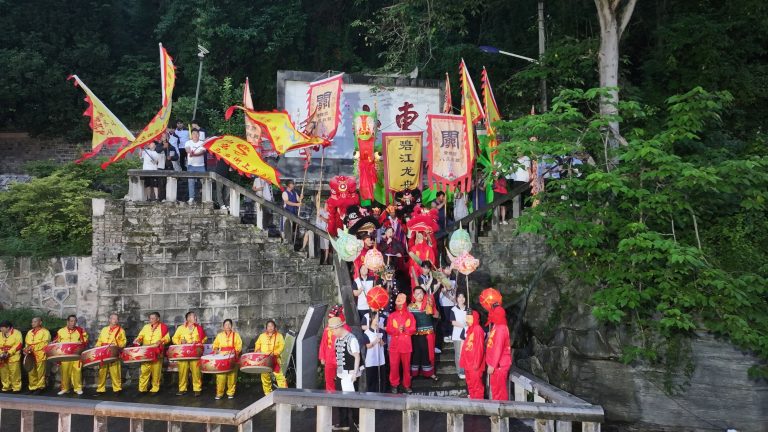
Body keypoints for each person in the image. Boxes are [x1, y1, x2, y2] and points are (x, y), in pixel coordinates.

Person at [331, 316, 360, 430]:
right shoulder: (337, 340)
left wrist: (355, 374)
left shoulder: (351, 339)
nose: (333, 333)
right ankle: (344, 423)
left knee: (353, 401)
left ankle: (358, 422)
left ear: (339, 328)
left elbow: (357, 356)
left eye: (333, 330)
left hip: (350, 375)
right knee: (340, 399)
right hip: (340, 374)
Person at [408, 286, 440, 380]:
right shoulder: (410, 307)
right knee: (415, 353)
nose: (419, 295)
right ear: (413, 295)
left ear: (424, 294)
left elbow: (436, 316)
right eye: (417, 293)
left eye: (421, 293)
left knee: (428, 354)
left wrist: (433, 305)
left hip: (427, 334)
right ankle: (413, 373)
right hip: (414, 334)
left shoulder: (428, 305)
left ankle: (429, 373)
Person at [133, 312, 170, 394]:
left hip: (157, 351)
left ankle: (155, 388)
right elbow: (141, 335)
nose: (151, 320)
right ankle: (142, 388)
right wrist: (138, 339)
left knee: (156, 372)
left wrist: (161, 341)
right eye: (150, 318)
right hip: (146, 352)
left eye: (153, 318)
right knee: (144, 371)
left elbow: (167, 338)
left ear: (158, 319)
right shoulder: (146, 327)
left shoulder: (163, 327)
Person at [172, 311, 207, 396]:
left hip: (195, 353)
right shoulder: (181, 328)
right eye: (193, 317)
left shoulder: (199, 328)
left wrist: (198, 341)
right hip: (183, 354)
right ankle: (182, 388)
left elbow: (204, 338)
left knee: (196, 371)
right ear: (188, 318)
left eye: (195, 317)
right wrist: (180, 341)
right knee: (183, 371)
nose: (195, 318)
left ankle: (197, 388)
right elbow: (174, 338)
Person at [386, 293, 415, 394]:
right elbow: (389, 329)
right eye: (398, 303)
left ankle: (407, 385)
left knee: (407, 367)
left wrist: (405, 330)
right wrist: (397, 330)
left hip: (406, 345)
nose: (399, 305)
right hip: (394, 345)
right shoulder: (392, 316)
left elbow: (413, 329)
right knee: (394, 366)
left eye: (401, 303)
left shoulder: (410, 315)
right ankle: (394, 384)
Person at [53, 315, 88, 395]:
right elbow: (56, 340)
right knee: (65, 372)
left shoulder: (80, 330)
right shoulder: (61, 331)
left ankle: (78, 388)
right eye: (71, 321)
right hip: (65, 355)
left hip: (76, 355)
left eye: (75, 321)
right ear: (67, 322)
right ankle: (65, 388)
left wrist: (82, 342)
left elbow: (85, 342)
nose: (73, 323)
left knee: (77, 371)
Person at [94, 313, 127, 395]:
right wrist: (97, 347)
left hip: (114, 353)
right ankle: (100, 389)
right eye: (113, 318)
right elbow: (99, 340)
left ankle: (117, 389)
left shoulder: (121, 330)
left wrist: (117, 346)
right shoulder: (104, 329)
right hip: (103, 353)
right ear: (109, 319)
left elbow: (124, 341)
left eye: (116, 319)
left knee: (115, 372)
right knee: (102, 372)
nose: (115, 320)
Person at [318, 305, 348, 391]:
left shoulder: (345, 328)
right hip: (329, 358)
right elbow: (323, 343)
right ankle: (330, 398)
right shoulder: (327, 328)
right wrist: (322, 357)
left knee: (341, 380)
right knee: (329, 379)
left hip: (341, 358)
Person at [254, 320, 287, 395]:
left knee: (280, 376)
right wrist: (258, 351)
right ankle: (267, 393)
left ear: (274, 327)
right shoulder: (261, 336)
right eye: (268, 326)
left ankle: (284, 393)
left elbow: (282, 346)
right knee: (265, 376)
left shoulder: (279, 336)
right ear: (266, 327)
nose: (270, 327)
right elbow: (257, 344)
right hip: (264, 360)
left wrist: (275, 353)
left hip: (275, 359)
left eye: (272, 326)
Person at [211, 319, 242, 400]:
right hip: (222, 358)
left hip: (232, 356)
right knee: (221, 376)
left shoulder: (236, 335)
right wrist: (216, 349)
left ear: (231, 326)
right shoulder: (219, 335)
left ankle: (230, 392)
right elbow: (215, 345)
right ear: (223, 326)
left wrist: (234, 351)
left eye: (229, 324)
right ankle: (219, 393)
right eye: (226, 325)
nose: (227, 326)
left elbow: (239, 346)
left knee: (232, 375)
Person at [486, 306, 512, 401]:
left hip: (499, 364)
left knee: (500, 390)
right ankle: (496, 413)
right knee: (495, 389)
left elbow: (498, 347)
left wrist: (492, 365)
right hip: (496, 363)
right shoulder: (496, 325)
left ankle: (502, 414)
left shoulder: (501, 328)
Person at [460, 310, 485, 399]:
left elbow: (480, 348)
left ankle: (478, 408)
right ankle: (473, 406)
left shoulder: (478, 329)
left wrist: (476, 363)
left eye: (469, 318)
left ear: (475, 319)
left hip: (474, 364)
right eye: (466, 318)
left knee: (477, 386)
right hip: (468, 363)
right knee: (470, 385)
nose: (467, 320)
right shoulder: (470, 329)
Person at [23, 317, 50, 393]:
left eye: (35, 322)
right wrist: (26, 349)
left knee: (40, 371)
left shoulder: (45, 332)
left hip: (40, 354)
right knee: (31, 370)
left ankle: (40, 387)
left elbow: (45, 344)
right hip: (30, 354)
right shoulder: (29, 332)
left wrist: (32, 348)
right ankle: (32, 387)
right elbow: (27, 343)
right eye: (32, 322)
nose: (33, 323)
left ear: (40, 322)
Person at [362, 311, 387, 393]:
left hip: (380, 359)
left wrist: (380, 341)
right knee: (371, 379)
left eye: (378, 318)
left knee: (381, 379)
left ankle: (382, 393)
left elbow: (383, 344)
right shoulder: (367, 332)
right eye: (375, 318)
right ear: (371, 319)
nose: (377, 320)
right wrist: (375, 341)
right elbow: (368, 346)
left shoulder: (381, 331)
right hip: (371, 360)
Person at [185, 129, 207, 204]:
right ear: (192, 135)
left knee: (204, 181)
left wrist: (194, 154)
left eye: (197, 134)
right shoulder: (188, 142)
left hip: (201, 166)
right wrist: (190, 152)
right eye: (193, 133)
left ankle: (205, 197)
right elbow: (187, 149)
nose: (195, 135)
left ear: (199, 135)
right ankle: (191, 197)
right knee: (190, 181)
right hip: (191, 165)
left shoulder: (202, 143)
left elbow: (202, 152)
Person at [0, 321, 23, 393]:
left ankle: (16, 387)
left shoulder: (17, 333)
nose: (1, 329)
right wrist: (1, 354)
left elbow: (18, 345)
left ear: (8, 328)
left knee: (15, 373)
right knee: (4, 373)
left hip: (13, 356)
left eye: (2, 328)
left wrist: (8, 353)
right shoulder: (0, 334)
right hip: (2, 357)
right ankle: (6, 386)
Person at [450, 292, 469, 379]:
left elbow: (471, 320)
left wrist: (468, 326)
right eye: (459, 297)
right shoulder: (453, 309)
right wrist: (464, 325)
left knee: (466, 353)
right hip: (457, 334)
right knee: (459, 354)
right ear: (456, 299)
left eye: (463, 297)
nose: (461, 299)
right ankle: (460, 371)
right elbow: (453, 322)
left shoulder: (468, 309)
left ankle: (466, 369)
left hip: (467, 334)